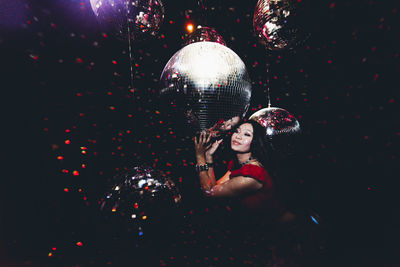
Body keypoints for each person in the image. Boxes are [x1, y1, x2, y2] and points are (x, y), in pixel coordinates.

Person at [194, 119, 295, 224]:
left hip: (284, 230)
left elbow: (209, 193)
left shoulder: (252, 176)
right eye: (237, 131)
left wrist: (200, 156)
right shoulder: (240, 164)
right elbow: (214, 187)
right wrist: (208, 157)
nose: (238, 136)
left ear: (255, 141)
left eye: (247, 134)